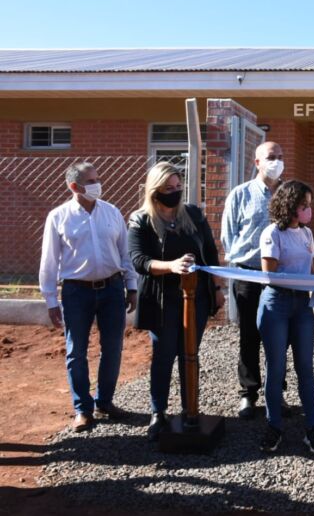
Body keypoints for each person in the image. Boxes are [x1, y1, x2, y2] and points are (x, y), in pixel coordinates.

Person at [128, 162, 224, 442]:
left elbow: (209, 251)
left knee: (190, 354)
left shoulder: (193, 214)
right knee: (163, 355)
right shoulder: (141, 220)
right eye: (169, 188)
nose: (175, 192)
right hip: (161, 300)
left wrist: (217, 287)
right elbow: (139, 261)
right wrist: (170, 266)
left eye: (178, 187)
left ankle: (189, 408)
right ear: (155, 189)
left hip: (196, 298)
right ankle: (158, 411)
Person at [39, 162, 138, 432]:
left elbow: (124, 253)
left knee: (113, 348)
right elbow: (49, 261)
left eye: (98, 178)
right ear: (74, 187)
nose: (98, 184)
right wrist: (50, 300)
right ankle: (82, 409)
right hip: (76, 292)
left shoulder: (112, 212)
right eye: (91, 180)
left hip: (112, 289)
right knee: (76, 351)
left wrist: (131, 286)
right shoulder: (58, 217)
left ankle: (104, 401)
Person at [256, 180, 314, 454]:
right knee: (276, 368)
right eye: (304, 205)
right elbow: (270, 274)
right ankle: (274, 426)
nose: (309, 210)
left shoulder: (307, 235)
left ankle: (313, 427)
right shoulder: (272, 233)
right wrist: (303, 281)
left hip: (302, 306)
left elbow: (311, 270)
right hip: (277, 304)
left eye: (309, 205)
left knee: (306, 368)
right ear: (289, 206)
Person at [221, 141, 286, 420]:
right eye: (271, 157)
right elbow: (228, 236)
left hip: (281, 277)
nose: (277, 161)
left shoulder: (288, 195)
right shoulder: (240, 194)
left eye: (280, 157)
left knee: (279, 339)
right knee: (249, 335)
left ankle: (277, 393)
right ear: (257, 162)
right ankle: (249, 394)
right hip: (248, 274)